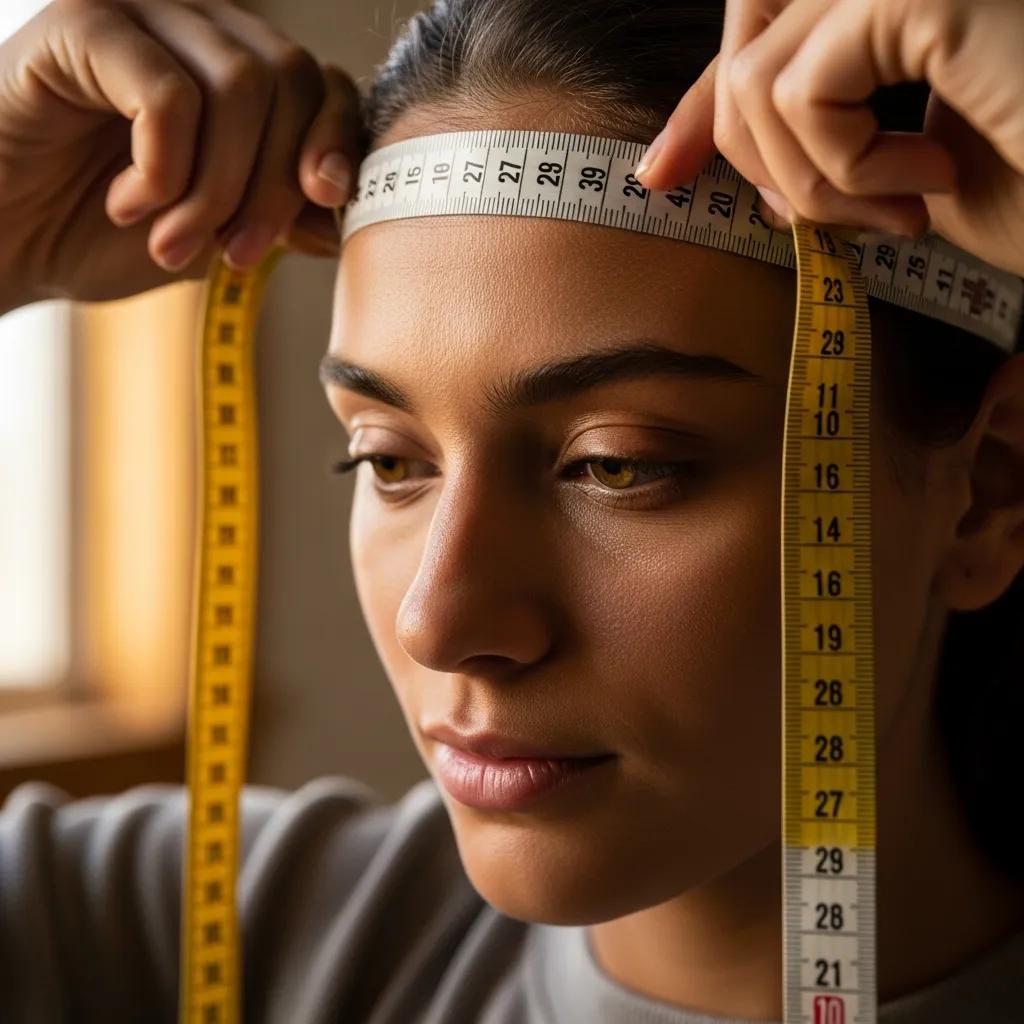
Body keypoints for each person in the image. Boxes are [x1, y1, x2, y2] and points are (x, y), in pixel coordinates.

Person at [0, 0, 1022, 1021]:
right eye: (389, 459)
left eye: (615, 466)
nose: (437, 623)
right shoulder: (178, 931)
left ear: (986, 493)